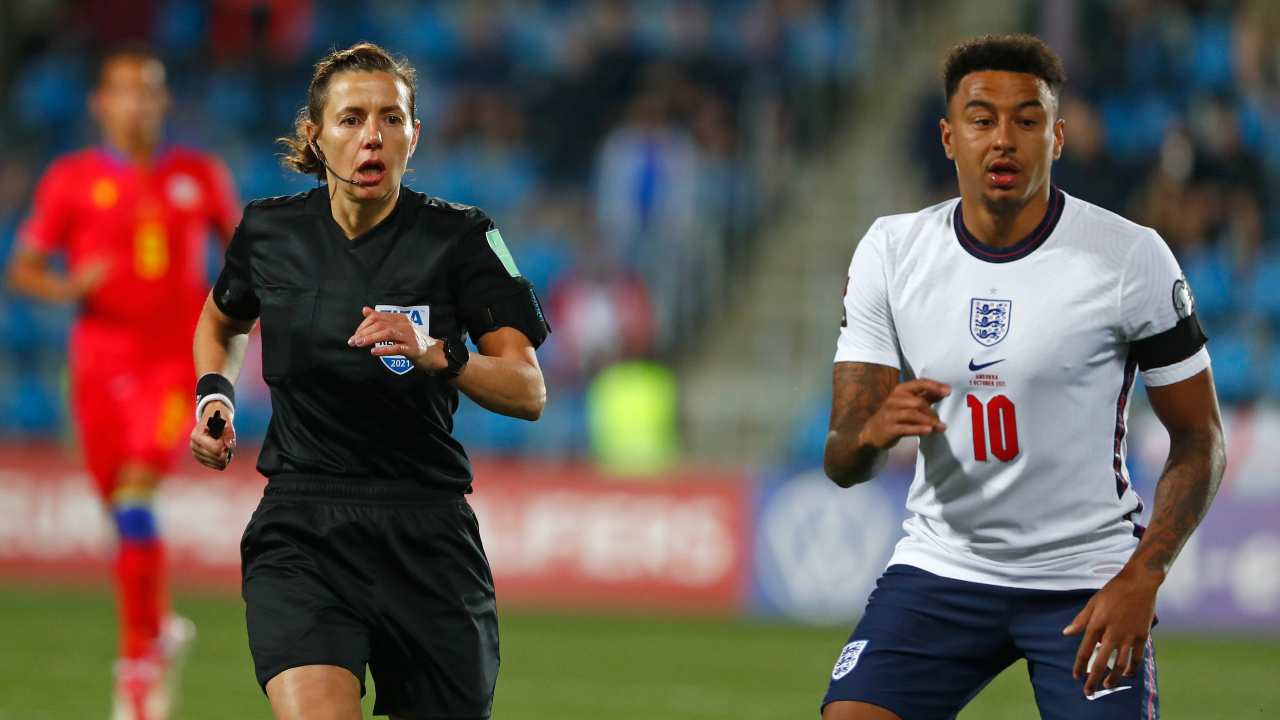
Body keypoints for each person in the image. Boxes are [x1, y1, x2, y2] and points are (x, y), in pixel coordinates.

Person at [821, 34, 1224, 720]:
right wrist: (870, 434)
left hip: (1084, 578)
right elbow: (841, 460)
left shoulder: (1131, 259)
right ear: (949, 138)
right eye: (981, 120)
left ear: (1057, 138)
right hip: (943, 569)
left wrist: (1143, 576)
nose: (1003, 140)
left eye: (1027, 121)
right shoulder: (891, 252)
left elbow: (1200, 439)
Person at [188, 43, 549, 720]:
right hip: (303, 526)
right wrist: (215, 393)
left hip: (427, 534)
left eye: (391, 118)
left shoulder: (463, 239)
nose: (372, 135)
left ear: (415, 135)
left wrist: (440, 354)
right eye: (352, 118)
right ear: (315, 136)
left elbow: (529, 391)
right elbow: (222, 319)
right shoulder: (269, 232)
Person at [6, 46, 239, 720]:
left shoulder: (198, 175)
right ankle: (157, 625)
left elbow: (245, 255)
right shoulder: (71, 180)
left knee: (138, 493)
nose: (137, 102)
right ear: (100, 104)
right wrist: (66, 286)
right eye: (124, 91)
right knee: (121, 510)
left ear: (163, 102)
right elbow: (24, 267)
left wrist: (239, 322)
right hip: (97, 368)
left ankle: (137, 659)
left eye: (148, 91)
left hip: (173, 364)